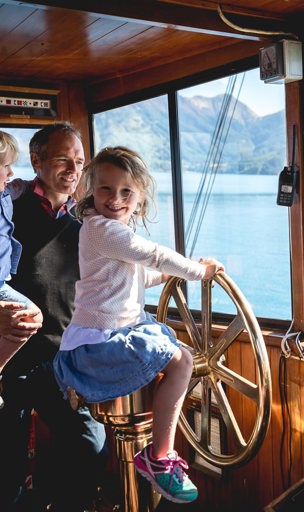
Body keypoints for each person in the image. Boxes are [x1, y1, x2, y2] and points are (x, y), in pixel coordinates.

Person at [53, 146, 224, 504]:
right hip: (100, 342)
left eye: (126, 191)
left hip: (111, 333)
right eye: (105, 189)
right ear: (91, 190)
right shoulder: (102, 229)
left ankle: (155, 455)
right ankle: (159, 458)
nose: (115, 199)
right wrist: (200, 272)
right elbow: (155, 254)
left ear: (140, 198)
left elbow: (131, 277)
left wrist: (164, 276)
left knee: (175, 354)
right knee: (183, 361)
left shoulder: (107, 233)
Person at [0, 123, 108, 512]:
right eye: (64, 158)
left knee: (89, 444)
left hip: (57, 362)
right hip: (9, 361)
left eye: (79, 161)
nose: (73, 168)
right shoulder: (7, 209)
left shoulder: (83, 223)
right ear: (36, 160)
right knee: (6, 471)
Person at [0, 131, 43, 410]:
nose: (11, 171)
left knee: (30, 318)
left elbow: (23, 186)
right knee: (31, 315)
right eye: (5, 166)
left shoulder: (6, 191)